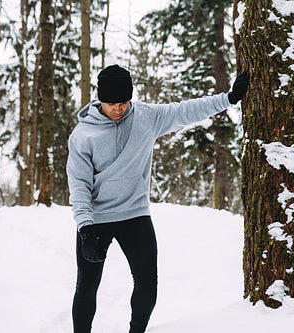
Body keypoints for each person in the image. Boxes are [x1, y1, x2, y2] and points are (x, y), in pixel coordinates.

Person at [66, 64, 249, 333]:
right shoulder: (83, 135)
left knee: (147, 283)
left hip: (134, 214)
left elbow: (185, 111)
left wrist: (229, 99)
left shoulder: (146, 117)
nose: (118, 109)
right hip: (97, 220)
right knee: (87, 285)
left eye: (124, 102)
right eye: (112, 103)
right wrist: (85, 226)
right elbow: (79, 183)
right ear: (100, 100)